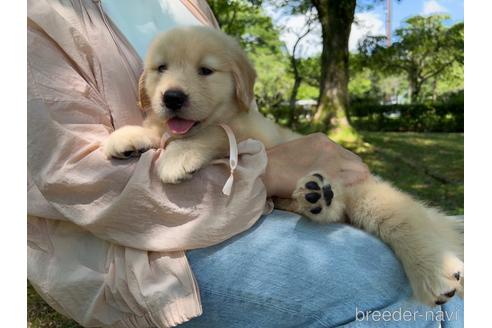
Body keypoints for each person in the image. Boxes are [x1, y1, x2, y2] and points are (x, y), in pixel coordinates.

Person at [27, 0, 463, 327]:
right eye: (160, 70)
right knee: (399, 298)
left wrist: (229, 151)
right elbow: (73, 175)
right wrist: (267, 169)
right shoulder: (36, 16)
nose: (174, 86)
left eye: (204, 71)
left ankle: (427, 250)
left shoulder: (189, 4)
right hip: (148, 253)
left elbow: (233, 127)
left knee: (384, 224)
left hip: (268, 202)